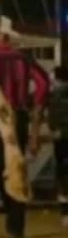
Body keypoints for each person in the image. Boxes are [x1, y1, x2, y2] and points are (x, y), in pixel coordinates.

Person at [0, 17, 50, 238]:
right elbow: (43, 84)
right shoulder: (24, 59)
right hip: (17, 117)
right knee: (17, 170)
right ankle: (16, 224)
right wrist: (35, 109)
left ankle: (11, 212)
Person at [47, 65, 68, 227]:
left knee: (62, 175)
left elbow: (53, 119)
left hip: (62, 140)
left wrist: (56, 130)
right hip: (62, 138)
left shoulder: (56, 95)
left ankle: (65, 212)